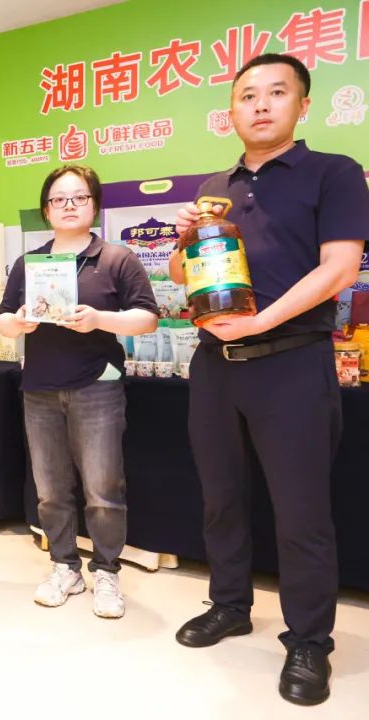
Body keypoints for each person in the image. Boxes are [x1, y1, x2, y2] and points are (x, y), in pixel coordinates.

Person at [167, 54, 368, 706]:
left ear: (302, 105)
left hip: (292, 362)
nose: (260, 104)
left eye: (276, 93)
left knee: (302, 511)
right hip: (213, 366)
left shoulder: (334, 173)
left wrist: (259, 322)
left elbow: (340, 269)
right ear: (231, 110)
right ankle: (230, 604)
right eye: (247, 95)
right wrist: (184, 241)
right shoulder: (214, 186)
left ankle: (309, 640)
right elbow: (181, 274)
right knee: (221, 497)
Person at [0, 164, 158, 619]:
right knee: (50, 490)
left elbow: (148, 318)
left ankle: (106, 570)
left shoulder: (116, 258)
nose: (69, 205)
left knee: (103, 489)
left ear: (95, 205)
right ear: (46, 210)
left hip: (97, 386)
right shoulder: (30, 264)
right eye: (59, 199)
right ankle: (64, 566)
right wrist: (19, 322)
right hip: (39, 389)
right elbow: (2, 319)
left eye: (79, 197)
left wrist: (99, 319)